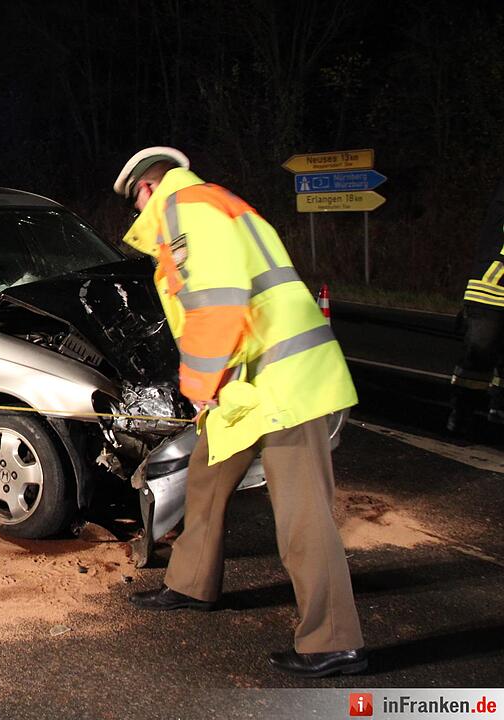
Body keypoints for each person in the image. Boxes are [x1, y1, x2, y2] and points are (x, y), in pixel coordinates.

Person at [113, 147, 366, 677]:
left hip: (283, 383)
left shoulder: (185, 210)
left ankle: (332, 641)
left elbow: (218, 301)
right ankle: (190, 586)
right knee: (203, 480)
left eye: (135, 204)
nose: (137, 217)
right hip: (247, 385)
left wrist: (198, 383)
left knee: (303, 515)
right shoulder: (215, 203)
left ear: (145, 189)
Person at [447, 178, 504, 435]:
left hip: (489, 292)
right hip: (489, 293)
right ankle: (461, 417)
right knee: (476, 362)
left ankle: (497, 408)